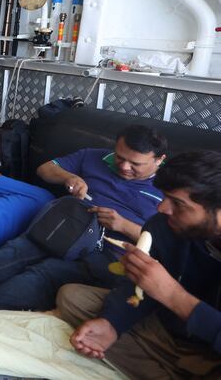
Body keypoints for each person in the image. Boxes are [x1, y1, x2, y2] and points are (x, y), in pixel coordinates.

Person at [0, 125, 167, 311]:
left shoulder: (169, 190)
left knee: (47, 272)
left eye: (135, 164)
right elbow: (45, 169)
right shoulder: (95, 156)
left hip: (110, 251)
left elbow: (169, 244)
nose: (123, 167)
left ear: (159, 160)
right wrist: (69, 178)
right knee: (22, 247)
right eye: (120, 157)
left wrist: (123, 225)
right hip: (70, 226)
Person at [58, 151, 221, 379]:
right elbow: (136, 289)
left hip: (212, 349)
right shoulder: (163, 225)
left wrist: (172, 295)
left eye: (178, 204)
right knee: (73, 297)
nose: (162, 208)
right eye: (165, 196)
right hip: (166, 331)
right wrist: (113, 323)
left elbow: (168, 295)